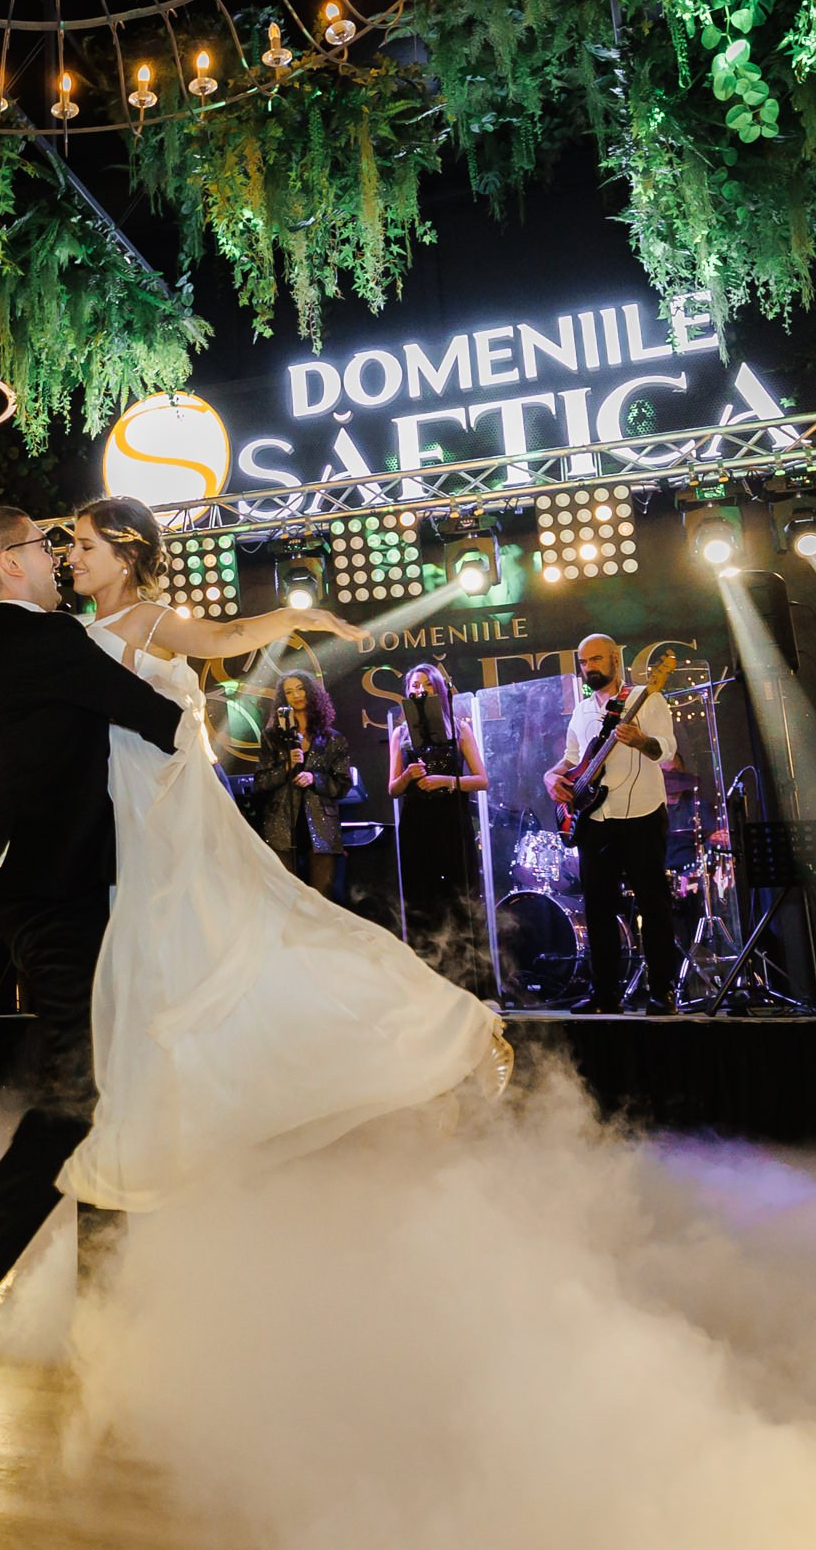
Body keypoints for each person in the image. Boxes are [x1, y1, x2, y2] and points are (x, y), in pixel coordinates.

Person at [58, 496, 509, 1233]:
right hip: (125, 813)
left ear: (127, 552)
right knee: (186, 962)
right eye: (71, 544)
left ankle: (435, 1038)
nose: (71, 556)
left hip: (166, 810)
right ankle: (161, 1137)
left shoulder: (146, 619)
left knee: (254, 934)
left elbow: (224, 635)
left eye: (84, 544)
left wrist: (301, 618)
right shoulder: (77, 630)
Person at [0, 504, 187, 1445]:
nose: (58, 558)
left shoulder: (18, 646)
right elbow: (161, 721)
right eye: (43, 546)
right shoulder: (40, 639)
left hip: (70, 900)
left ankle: (106, 1318)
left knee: (113, 1098)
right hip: (56, 908)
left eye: (68, 546)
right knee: (78, 1100)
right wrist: (172, 656)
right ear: (9, 564)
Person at [543, 633, 679, 1015]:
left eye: (597, 659)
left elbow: (666, 751)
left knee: (653, 904)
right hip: (596, 817)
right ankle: (605, 994)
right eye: (584, 662)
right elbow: (572, 759)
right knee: (598, 908)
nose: (589, 668)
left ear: (615, 660)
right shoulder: (582, 711)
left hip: (642, 814)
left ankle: (662, 992)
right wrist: (551, 777)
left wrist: (640, 741)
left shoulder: (647, 698)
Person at [389, 662, 494, 995]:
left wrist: (446, 780)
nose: (420, 690)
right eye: (414, 686)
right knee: (422, 902)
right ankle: (429, 988)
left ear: (438, 688)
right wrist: (408, 776)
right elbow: (392, 788)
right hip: (416, 825)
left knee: (461, 901)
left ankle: (477, 987)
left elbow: (481, 779)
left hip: (451, 822)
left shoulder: (458, 730)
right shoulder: (401, 734)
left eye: (426, 685)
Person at [254, 673, 352, 896]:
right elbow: (260, 782)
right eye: (289, 692)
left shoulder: (333, 739)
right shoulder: (271, 737)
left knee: (323, 895)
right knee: (285, 895)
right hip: (282, 824)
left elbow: (343, 784)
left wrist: (315, 779)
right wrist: (286, 768)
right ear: (283, 699)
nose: (296, 695)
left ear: (311, 692)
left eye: (300, 689)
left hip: (321, 827)